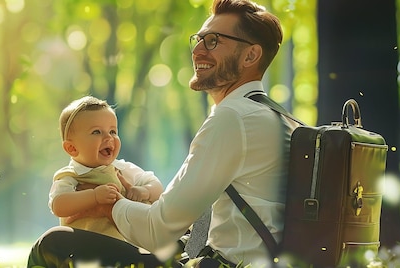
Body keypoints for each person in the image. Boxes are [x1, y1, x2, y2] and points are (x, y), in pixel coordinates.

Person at [27, 0, 292, 267]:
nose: (198, 50)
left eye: (213, 41)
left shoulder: (233, 118)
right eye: (199, 40)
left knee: (55, 244)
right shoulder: (277, 117)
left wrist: (106, 204)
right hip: (241, 257)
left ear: (250, 56)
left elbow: (159, 230)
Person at [49, 96, 164, 241]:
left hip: (131, 245)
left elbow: (158, 187)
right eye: (96, 132)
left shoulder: (122, 168)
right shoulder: (71, 176)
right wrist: (94, 196)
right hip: (91, 247)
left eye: (113, 131)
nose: (109, 138)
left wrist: (145, 191)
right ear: (72, 148)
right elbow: (58, 205)